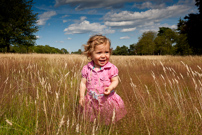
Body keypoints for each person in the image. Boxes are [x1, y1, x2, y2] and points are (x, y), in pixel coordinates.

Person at [79, 34, 127, 125]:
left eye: (106, 52)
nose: (103, 56)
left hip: (107, 99)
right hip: (91, 100)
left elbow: (115, 80)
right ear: (90, 54)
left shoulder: (111, 68)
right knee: (92, 120)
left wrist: (110, 88)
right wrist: (81, 96)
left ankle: (107, 129)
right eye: (99, 53)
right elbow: (83, 83)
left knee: (108, 119)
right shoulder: (87, 68)